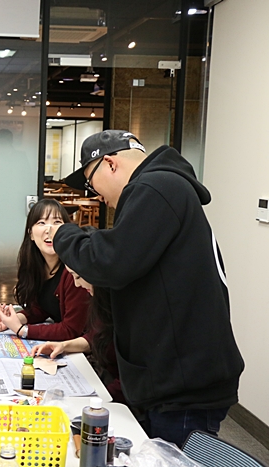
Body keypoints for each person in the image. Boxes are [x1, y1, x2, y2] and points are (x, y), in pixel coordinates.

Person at [50, 129, 244, 447]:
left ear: (110, 163)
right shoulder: (162, 188)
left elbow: (111, 262)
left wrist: (63, 233)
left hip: (183, 384)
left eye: (91, 183)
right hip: (172, 377)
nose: (96, 195)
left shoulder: (156, 187)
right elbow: (134, 270)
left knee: (169, 459)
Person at [0, 199, 90, 340]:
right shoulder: (36, 266)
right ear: (30, 233)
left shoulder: (74, 270)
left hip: (90, 347)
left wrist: (22, 330)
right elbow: (41, 308)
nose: (50, 229)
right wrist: (14, 319)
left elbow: (71, 330)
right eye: (42, 223)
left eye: (57, 222)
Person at [32, 263, 125, 404]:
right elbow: (96, 336)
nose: (76, 284)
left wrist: (98, 400)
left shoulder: (125, 308)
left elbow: (131, 379)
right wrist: (64, 346)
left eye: (78, 277)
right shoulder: (102, 301)